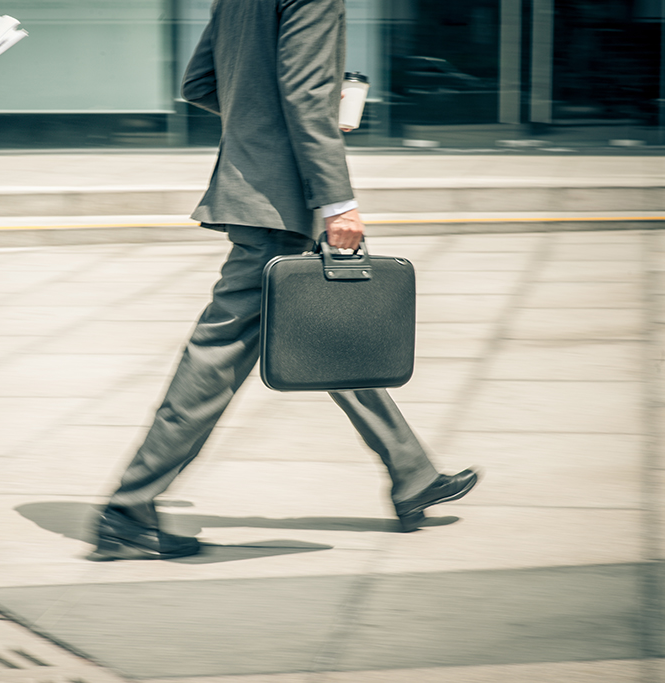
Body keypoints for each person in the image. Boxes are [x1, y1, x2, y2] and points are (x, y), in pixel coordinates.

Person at [90, 0, 479, 561]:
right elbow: (301, 93)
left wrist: (263, 120)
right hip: (282, 195)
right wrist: (337, 201)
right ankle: (127, 510)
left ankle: (412, 473)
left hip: (255, 183)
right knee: (220, 351)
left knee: (320, 328)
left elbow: (200, 81)